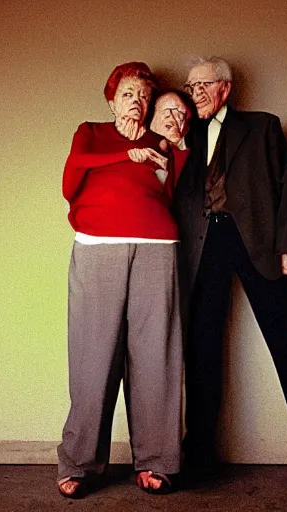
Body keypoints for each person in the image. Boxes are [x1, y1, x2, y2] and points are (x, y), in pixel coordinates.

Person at [173, 57, 287, 484]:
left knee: (286, 338)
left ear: (225, 88)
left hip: (254, 241)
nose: (193, 94)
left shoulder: (263, 126)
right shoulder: (183, 132)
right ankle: (199, 457)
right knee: (201, 349)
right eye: (189, 86)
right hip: (203, 246)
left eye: (201, 86)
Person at [57, 62, 183, 498]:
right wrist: (124, 154)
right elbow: (71, 178)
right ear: (112, 99)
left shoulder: (160, 142)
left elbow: (173, 192)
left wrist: (175, 148)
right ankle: (79, 463)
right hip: (98, 246)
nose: (137, 101)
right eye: (128, 93)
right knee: (93, 356)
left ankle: (156, 462)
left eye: (144, 95)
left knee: (156, 356)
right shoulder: (91, 133)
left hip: (158, 247)